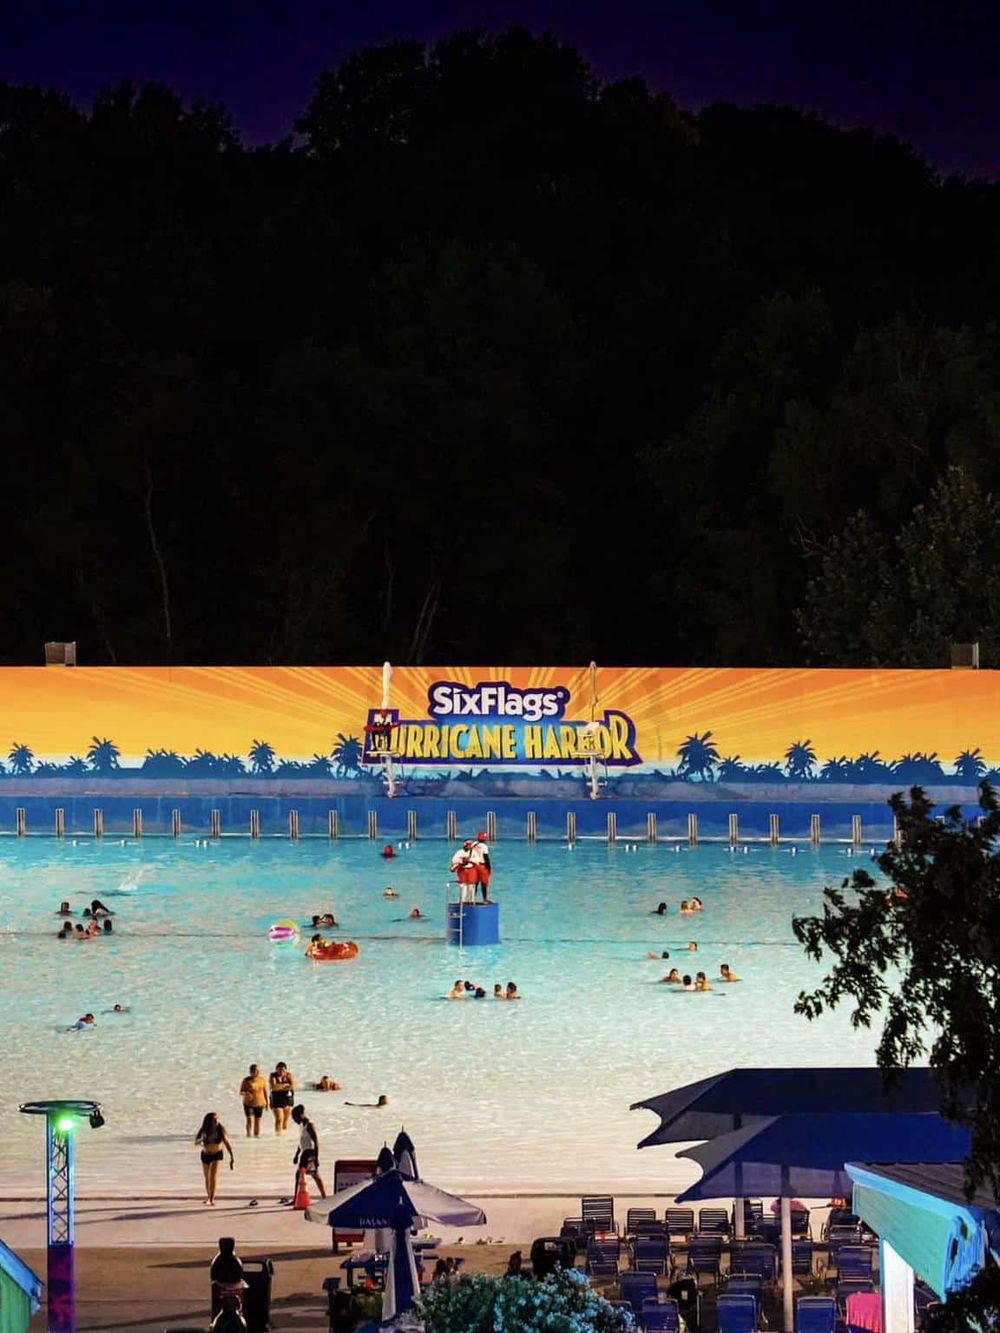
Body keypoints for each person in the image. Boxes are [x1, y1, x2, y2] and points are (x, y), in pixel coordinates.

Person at [195, 1111, 233, 1206]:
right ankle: (208, 1196)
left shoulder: (220, 1130)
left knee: (213, 1177)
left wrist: (232, 1157)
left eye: (217, 1119)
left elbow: (227, 1143)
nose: (217, 1121)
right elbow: (196, 1143)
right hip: (205, 1155)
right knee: (207, 1178)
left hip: (217, 1155)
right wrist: (202, 1139)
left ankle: (211, 1199)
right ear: (209, 1121)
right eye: (214, 1120)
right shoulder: (204, 1130)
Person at [290, 1104, 327, 1198]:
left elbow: (316, 1142)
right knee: (314, 1175)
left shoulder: (310, 1125)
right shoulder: (302, 1125)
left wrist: (316, 1158)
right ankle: (324, 1196)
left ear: (301, 1115)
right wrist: (296, 1155)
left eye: (295, 1118)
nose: (295, 1120)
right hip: (304, 1153)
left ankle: (296, 1199)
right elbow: (301, 1142)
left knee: (302, 1174)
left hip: (309, 1153)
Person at [239, 1064, 269, 1137]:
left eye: (258, 1070)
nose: (257, 1072)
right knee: (249, 1119)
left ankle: (256, 1136)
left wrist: (267, 1103)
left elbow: (265, 1092)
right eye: (255, 1070)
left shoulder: (262, 1080)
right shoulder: (246, 1080)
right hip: (248, 1103)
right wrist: (247, 1093)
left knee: (257, 1120)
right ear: (251, 1071)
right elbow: (241, 1092)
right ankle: (248, 1135)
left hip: (259, 1103)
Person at [269, 1062, 297, 1134]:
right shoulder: (273, 1076)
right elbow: (273, 1087)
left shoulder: (289, 1076)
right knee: (279, 1119)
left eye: (283, 1070)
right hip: (276, 1100)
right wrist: (285, 1085)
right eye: (279, 1070)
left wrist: (280, 1087)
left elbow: (293, 1086)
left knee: (285, 1120)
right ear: (276, 1070)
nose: (281, 1072)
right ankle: (278, 1135)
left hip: (288, 1099)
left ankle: (283, 1136)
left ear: (286, 1070)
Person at [469, 832, 492, 902]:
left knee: (475, 882)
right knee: (484, 883)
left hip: (474, 865)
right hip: (482, 866)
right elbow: (486, 857)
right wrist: (489, 867)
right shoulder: (484, 846)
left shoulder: (473, 844)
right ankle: (485, 899)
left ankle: (472, 899)